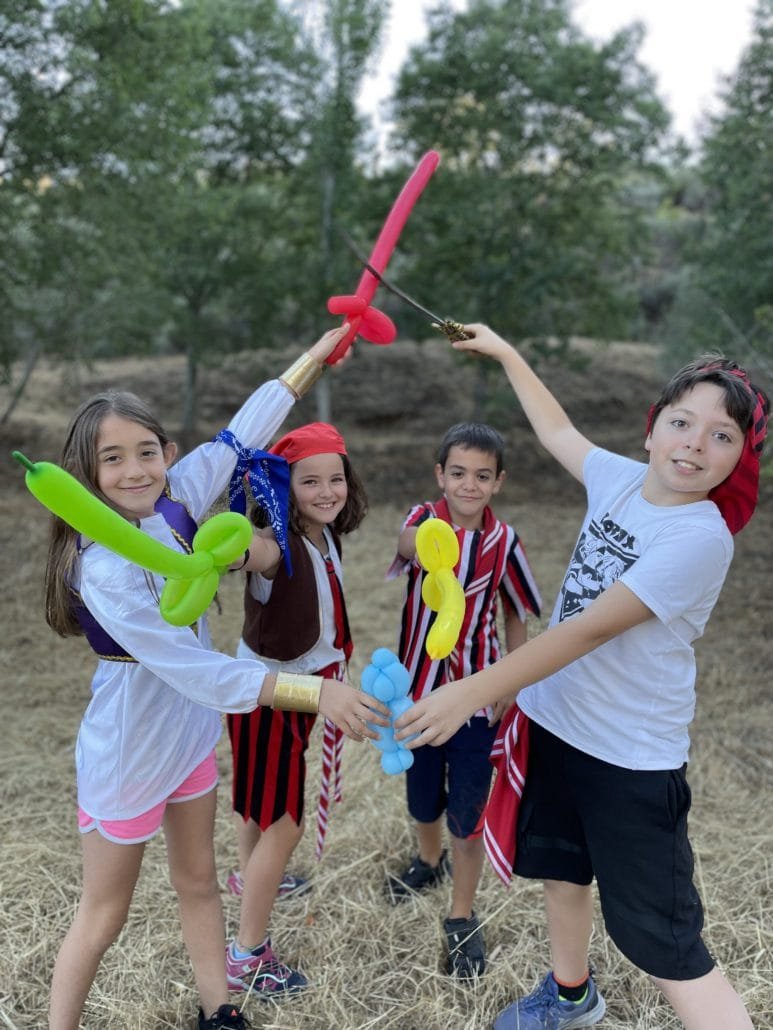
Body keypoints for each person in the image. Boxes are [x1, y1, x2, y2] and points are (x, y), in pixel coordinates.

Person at [395, 325, 768, 1030]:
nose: (694, 443)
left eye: (721, 436)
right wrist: (505, 352)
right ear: (651, 428)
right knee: (561, 871)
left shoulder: (699, 537)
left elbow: (586, 630)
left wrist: (472, 688)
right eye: (681, 422)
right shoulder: (620, 479)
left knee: (663, 944)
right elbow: (557, 429)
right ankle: (572, 998)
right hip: (557, 727)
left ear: (737, 460)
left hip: (628, 759)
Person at [42, 326, 390, 1030]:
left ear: (168, 454)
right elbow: (191, 669)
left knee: (199, 882)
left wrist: (313, 358)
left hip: (189, 743)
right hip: (129, 752)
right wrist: (314, 692)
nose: (135, 470)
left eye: (147, 452)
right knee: (104, 916)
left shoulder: (176, 499)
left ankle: (218, 1011)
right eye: (113, 459)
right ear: (85, 473)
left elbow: (239, 436)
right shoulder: (103, 567)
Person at [384, 422, 541, 979]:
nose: (468, 485)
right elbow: (405, 544)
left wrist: (512, 682)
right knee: (423, 798)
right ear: (440, 475)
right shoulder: (423, 521)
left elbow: (517, 611)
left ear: (498, 482)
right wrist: (431, 541)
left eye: (481, 476)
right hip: (419, 695)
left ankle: (461, 914)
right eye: (458, 473)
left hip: (477, 700)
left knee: (468, 811)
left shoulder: (505, 542)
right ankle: (429, 859)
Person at [223, 421, 369, 998]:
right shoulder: (275, 543)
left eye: (336, 478)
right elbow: (250, 551)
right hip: (270, 698)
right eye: (310, 481)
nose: (327, 491)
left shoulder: (324, 536)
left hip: (304, 693)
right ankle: (247, 955)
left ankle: (249, 877)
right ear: (284, 489)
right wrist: (230, 547)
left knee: (257, 805)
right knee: (284, 823)